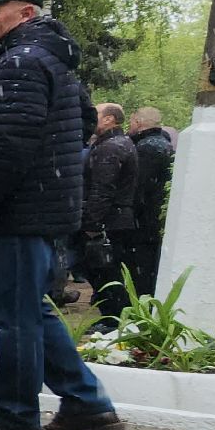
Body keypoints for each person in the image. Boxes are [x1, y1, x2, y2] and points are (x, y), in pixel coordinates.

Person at [0, 0, 123, 430]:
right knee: (32, 310)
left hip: (24, 209)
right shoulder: (51, 61)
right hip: (43, 205)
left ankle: (15, 416)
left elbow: (5, 149)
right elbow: (82, 122)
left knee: (14, 316)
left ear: (26, 13)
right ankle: (85, 401)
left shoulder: (20, 63)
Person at [81, 102, 138, 327]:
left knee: (106, 272)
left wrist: (92, 223)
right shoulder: (116, 144)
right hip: (115, 218)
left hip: (109, 221)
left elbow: (102, 189)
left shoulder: (112, 147)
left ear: (109, 119)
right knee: (106, 271)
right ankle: (112, 317)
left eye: (97, 114)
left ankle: (112, 320)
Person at [121, 106, 175, 293]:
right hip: (156, 215)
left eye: (132, 121)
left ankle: (141, 306)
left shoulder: (146, 148)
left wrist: (130, 212)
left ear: (138, 122)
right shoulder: (165, 144)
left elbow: (140, 187)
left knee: (142, 266)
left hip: (145, 219)